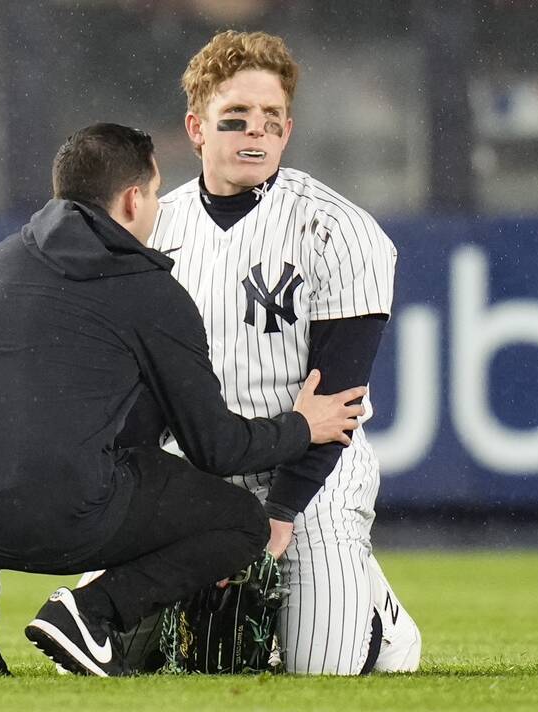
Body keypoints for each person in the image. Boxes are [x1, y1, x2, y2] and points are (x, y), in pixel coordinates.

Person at [0, 122, 368, 678]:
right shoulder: (150, 289)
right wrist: (301, 427)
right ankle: (91, 615)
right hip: (53, 519)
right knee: (241, 524)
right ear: (132, 197)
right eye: (157, 193)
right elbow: (216, 448)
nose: (160, 208)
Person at [140, 30, 422, 675]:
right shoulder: (155, 228)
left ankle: (380, 620)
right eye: (235, 119)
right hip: (190, 470)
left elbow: (338, 401)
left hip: (309, 471)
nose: (255, 134)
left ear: (288, 132)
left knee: (318, 669)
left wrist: (276, 519)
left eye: (271, 120)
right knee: (117, 656)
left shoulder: (340, 230)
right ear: (196, 129)